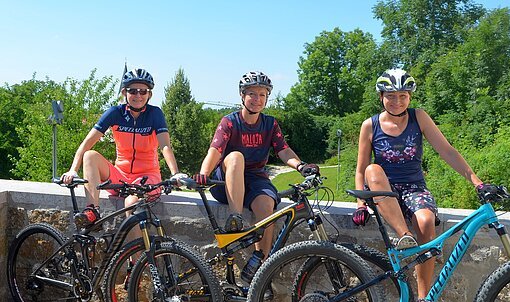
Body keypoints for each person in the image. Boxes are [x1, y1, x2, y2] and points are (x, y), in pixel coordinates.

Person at [353, 68, 484, 302]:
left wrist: (476, 180)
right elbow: (360, 170)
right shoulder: (370, 125)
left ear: (409, 97)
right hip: (384, 191)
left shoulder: (419, 118)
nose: (397, 101)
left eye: (403, 95)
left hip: (414, 187)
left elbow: (446, 150)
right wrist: (360, 204)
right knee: (372, 170)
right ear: (381, 97)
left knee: (425, 222)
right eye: (391, 96)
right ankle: (404, 235)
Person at [194, 71, 319, 285]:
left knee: (266, 204)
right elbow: (215, 150)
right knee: (235, 157)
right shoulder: (230, 122)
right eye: (252, 94)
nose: (257, 99)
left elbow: (283, 150)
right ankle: (236, 217)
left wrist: (301, 166)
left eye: (262, 95)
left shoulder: (270, 124)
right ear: (242, 96)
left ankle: (261, 261)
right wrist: (204, 174)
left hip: (254, 178)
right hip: (226, 181)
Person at [61, 68, 182, 238]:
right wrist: (73, 170)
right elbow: (86, 144)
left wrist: (175, 174)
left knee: (131, 203)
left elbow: (165, 146)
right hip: (121, 177)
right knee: (90, 156)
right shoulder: (115, 113)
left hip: (147, 177)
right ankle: (92, 210)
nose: (138, 95)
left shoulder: (155, 114)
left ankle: (136, 262)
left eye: (143, 91)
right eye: (133, 90)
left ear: (149, 95)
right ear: (124, 92)